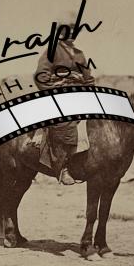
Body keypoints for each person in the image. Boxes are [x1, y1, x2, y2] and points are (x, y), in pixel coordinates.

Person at [34, 18, 95, 185]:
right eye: (68, 29)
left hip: (80, 95)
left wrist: (90, 93)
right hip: (59, 96)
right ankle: (63, 167)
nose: (72, 33)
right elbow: (41, 76)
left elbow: (88, 79)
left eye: (75, 29)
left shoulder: (80, 54)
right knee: (65, 125)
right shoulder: (52, 50)